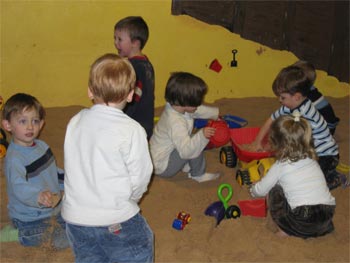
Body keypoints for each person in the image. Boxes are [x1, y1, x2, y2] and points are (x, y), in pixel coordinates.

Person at [62, 54, 154, 263]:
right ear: (130, 95)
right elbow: (141, 175)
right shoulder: (132, 130)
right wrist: (131, 199)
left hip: (76, 220)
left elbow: (74, 163)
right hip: (116, 220)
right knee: (140, 246)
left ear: (90, 91)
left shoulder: (75, 121)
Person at [251, 65, 341, 190]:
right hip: (309, 150)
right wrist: (257, 141)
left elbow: (295, 141)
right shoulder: (289, 106)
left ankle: (333, 178)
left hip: (325, 155)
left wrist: (273, 146)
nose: (279, 100)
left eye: (283, 97)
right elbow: (271, 119)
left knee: (308, 183)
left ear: (297, 97)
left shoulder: (306, 114)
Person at [250, 113, 336, 239]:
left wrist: (253, 189)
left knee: (274, 190)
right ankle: (317, 230)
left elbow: (261, 191)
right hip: (326, 216)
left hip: (302, 219)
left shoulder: (281, 166)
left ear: (277, 144)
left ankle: (284, 229)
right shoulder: (312, 161)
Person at [0, 93, 68, 249]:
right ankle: (16, 234)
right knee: (61, 241)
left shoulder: (42, 146)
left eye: (35, 121)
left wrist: (70, 180)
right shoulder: (15, 158)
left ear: (42, 124)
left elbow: (52, 172)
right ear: (8, 125)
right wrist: (37, 196)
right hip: (30, 218)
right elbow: (19, 187)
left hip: (54, 210)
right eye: (22, 121)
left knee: (80, 223)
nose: (30, 126)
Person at [150, 72, 221, 183]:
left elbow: (197, 111)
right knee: (196, 141)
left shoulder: (176, 106)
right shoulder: (175, 122)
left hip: (160, 156)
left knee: (193, 140)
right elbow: (187, 151)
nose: (199, 104)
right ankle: (198, 175)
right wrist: (202, 135)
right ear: (184, 102)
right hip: (164, 167)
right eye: (196, 102)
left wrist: (215, 115)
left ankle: (186, 164)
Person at [114, 16, 155, 140]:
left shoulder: (134, 68)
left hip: (135, 126)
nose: (116, 43)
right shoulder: (146, 64)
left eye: (120, 39)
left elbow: (131, 101)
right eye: (115, 38)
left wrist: (118, 118)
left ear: (135, 43)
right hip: (144, 124)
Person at [293, 60, 339, 135]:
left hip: (325, 128)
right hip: (327, 124)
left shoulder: (307, 95)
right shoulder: (309, 89)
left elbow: (301, 113)